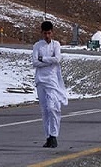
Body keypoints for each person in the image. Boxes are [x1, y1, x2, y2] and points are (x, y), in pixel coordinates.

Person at [32, 20, 68, 148]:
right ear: (41, 33)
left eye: (49, 33)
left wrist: (43, 59)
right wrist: (49, 61)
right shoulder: (37, 46)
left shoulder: (56, 45)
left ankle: (54, 134)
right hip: (40, 81)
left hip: (52, 80)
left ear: (52, 33)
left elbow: (57, 59)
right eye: (45, 33)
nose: (47, 35)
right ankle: (48, 137)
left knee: (53, 107)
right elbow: (35, 62)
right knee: (45, 110)